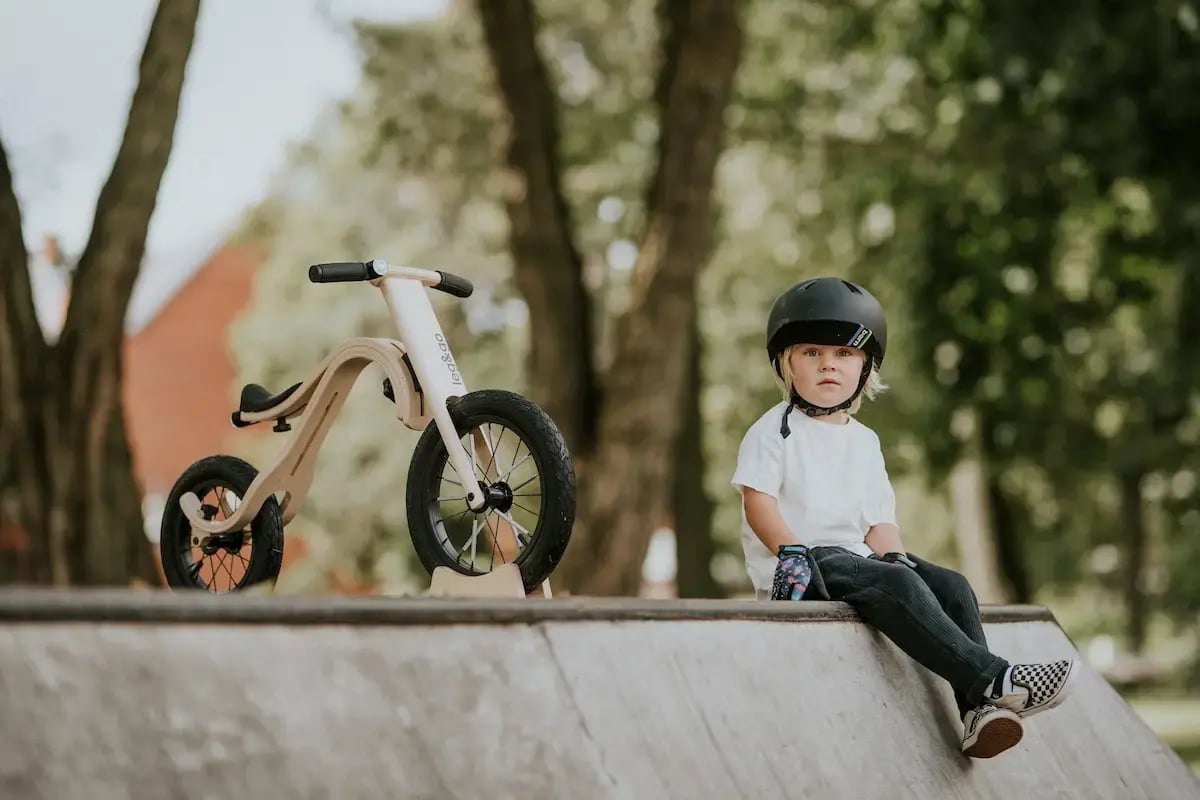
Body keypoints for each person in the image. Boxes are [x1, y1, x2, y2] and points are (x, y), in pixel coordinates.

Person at [730, 277, 1077, 759]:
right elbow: (758, 501)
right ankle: (996, 679)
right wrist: (793, 551)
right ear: (785, 362)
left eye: (843, 355)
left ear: (865, 365)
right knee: (897, 586)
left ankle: (978, 712)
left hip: (854, 562)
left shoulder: (865, 442)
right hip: (802, 567)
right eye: (811, 353)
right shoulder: (774, 430)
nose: (828, 364)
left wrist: (895, 556)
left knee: (950, 585)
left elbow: (877, 523)